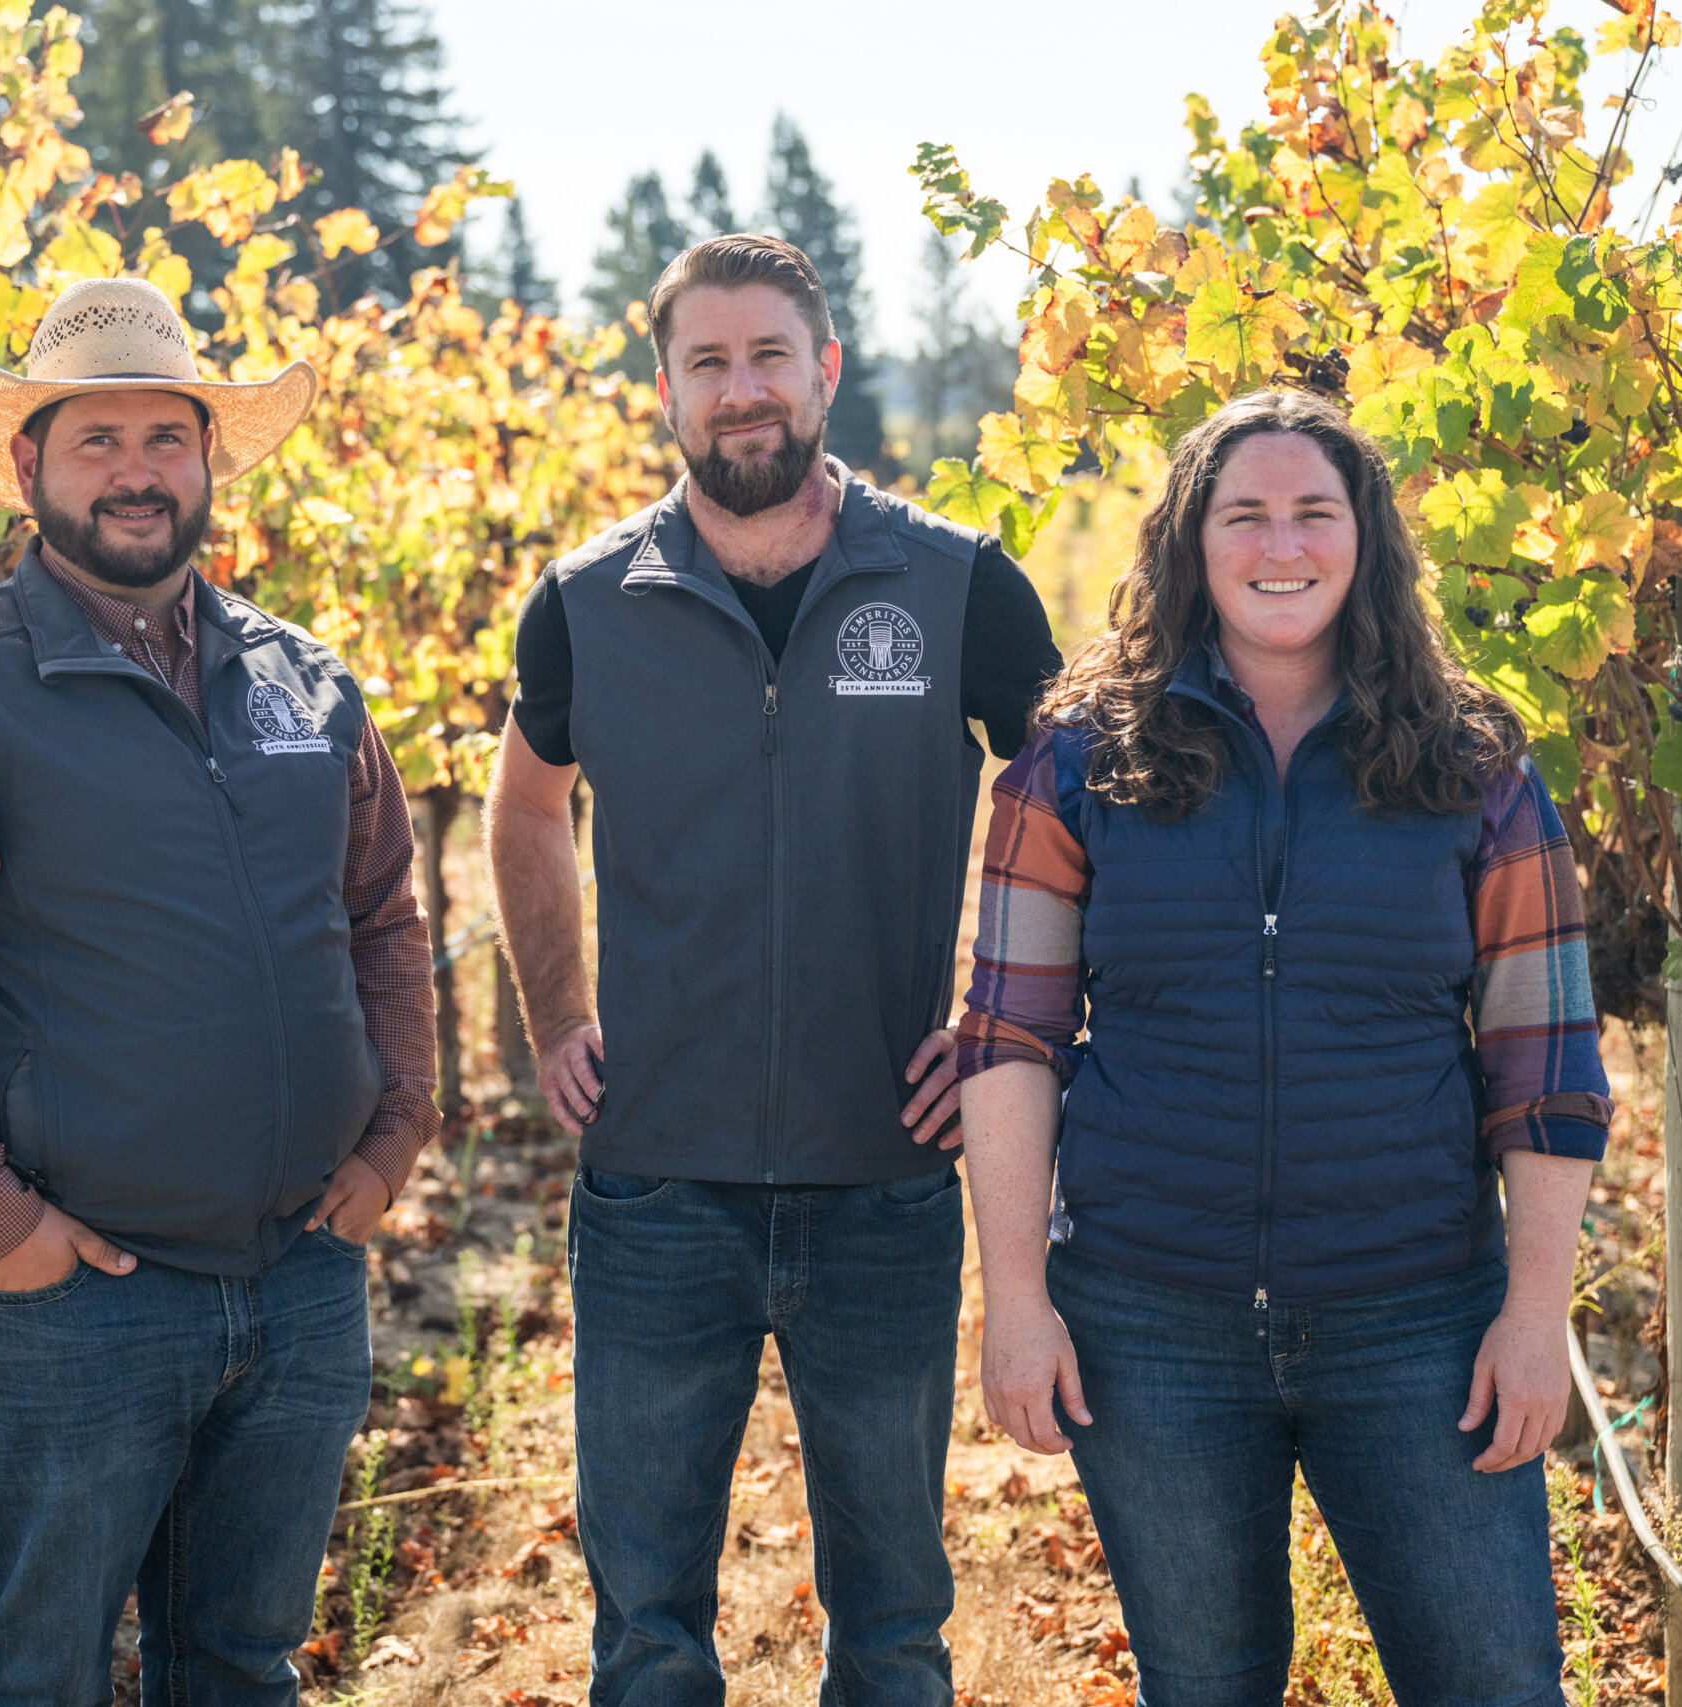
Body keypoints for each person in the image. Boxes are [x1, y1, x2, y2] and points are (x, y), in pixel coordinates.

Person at [0, 277, 435, 1706]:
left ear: (209, 462)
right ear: (27, 469)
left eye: (167, 437)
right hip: (73, 1302)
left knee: (242, 1667)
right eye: (98, 441)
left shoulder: (305, 681)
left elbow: (385, 916)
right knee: (30, 1675)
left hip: (300, 1280)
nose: (138, 472)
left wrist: (395, 1137)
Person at [958, 388, 1613, 1705]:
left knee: (1494, 1685)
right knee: (1205, 1688)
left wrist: (1535, 1316)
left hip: (1419, 1322)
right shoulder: (1078, 766)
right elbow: (1010, 1042)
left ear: (1365, 539)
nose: (1282, 544)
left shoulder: (1475, 766)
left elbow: (1545, 1066)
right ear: (1190, 546)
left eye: (1315, 511)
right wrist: (1017, 1303)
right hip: (1151, 1325)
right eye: (1243, 514)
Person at [485, 234, 1062, 1705]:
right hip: (655, 1187)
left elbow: (1078, 810)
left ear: (828, 371)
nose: (740, 392)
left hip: (883, 1178)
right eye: (707, 364)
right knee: (649, 1634)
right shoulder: (585, 602)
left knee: (891, 1628)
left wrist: (1006, 1024)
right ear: (665, 387)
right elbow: (526, 803)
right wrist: (557, 1013)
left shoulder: (959, 591)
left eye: (767, 358)